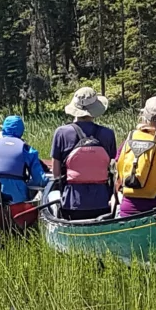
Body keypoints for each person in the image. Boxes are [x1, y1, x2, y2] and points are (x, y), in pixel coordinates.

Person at [50, 87, 119, 220]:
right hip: (102, 200)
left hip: (71, 201)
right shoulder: (108, 134)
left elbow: (56, 173)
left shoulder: (61, 133)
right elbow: (113, 166)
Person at [0, 115, 49, 204]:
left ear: (4, 129)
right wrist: (49, 182)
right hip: (17, 194)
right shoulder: (27, 150)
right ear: (21, 130)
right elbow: (39, 180)